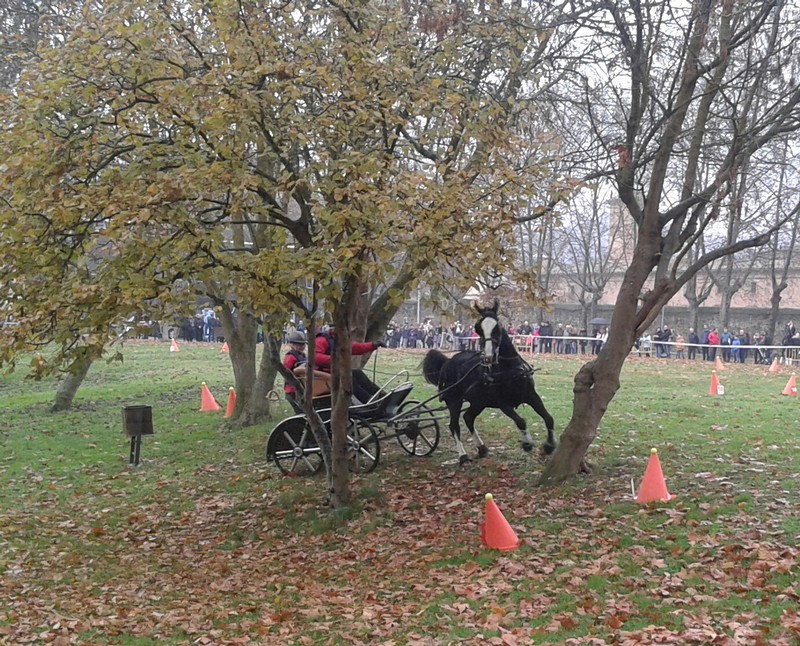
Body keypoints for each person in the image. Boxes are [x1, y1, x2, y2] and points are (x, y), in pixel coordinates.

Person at [315, 324, 385, 404]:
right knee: (349, 378)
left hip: (335, 370)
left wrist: (373, 345)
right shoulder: (321, 340)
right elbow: (316, 357)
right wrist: (336, 360)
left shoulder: (338, 340)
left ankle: (379, 394)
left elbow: (355, 348)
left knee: (357, 373)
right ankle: (368, 400)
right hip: (323, 373)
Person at [283, 331, 308, 414]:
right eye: (298, 345)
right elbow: (286, 372)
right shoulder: (290, 357)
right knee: (300, 412)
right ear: (292, 345)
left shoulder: (303, 355)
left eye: (303, 344)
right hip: (292, 390)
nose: (301, 347)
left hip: (302, 387)